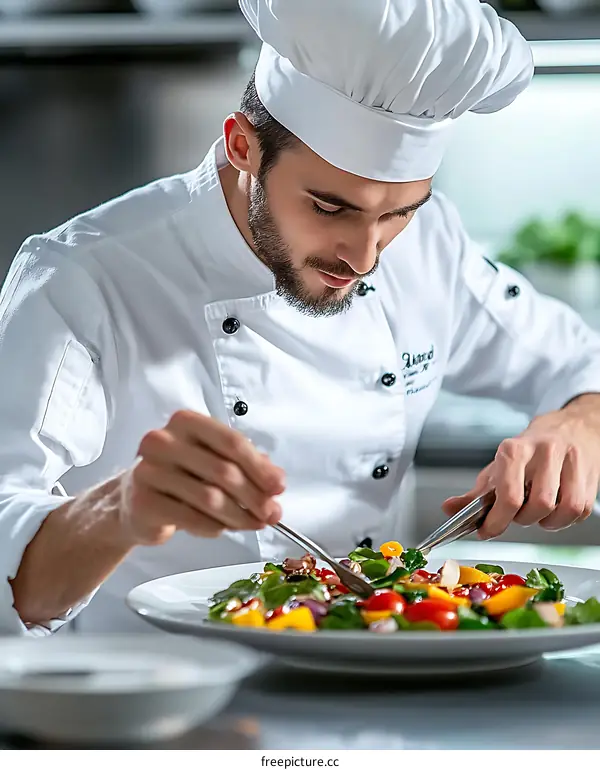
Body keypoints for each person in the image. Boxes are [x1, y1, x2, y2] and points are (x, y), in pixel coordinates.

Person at [2, 0, 600, 636]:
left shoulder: (431, 250)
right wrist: (122, 509)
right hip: (161, 708)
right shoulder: (82, 277)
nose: (365, 256)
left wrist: (577, 426)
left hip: (376, 687)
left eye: (398, 213)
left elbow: (578, 365)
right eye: (330, 207)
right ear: (243, 147)